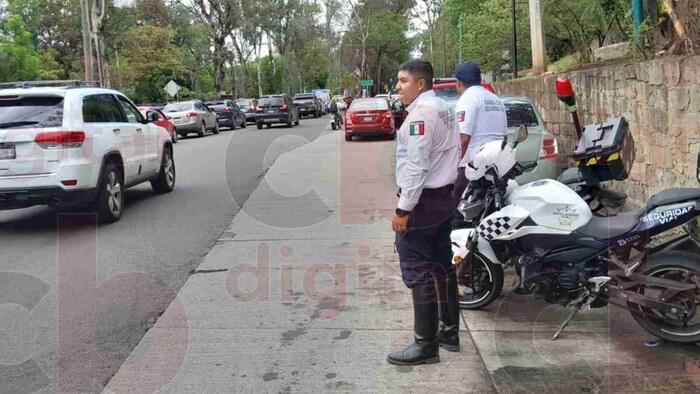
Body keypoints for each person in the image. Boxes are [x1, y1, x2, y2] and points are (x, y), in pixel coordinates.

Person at [388, 59, 461, 366]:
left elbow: (417, 167)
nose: (398, 86)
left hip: (422, 203)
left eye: (403, 81)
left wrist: (403, 208)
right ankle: (448, 331)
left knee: (419, 271)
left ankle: (425, 344)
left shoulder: (421, 116)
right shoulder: (444, 107)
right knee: (442, 266)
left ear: (420, 84)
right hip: (444, 198)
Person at [452, 62, 507, 228]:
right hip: (497, 170)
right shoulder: (495, 99)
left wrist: (451, 164)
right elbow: (504, 136)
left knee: (458, 219)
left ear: (459, 82)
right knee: (487, 218)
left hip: (472, 171)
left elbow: (463, 138)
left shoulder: (468, 98)